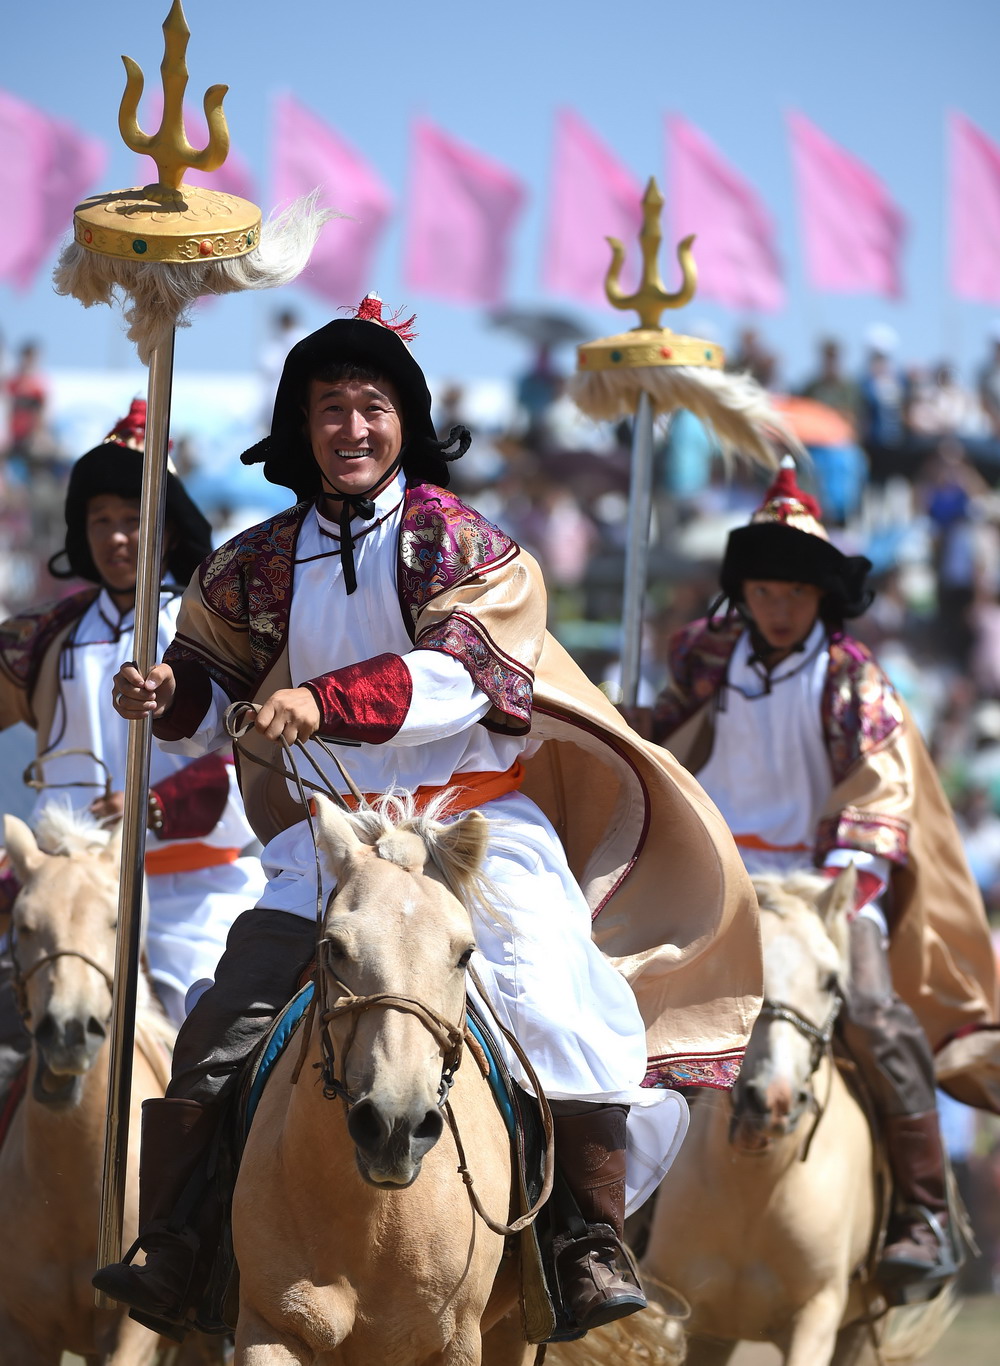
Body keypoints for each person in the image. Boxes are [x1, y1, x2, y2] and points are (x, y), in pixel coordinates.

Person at [93, 296, 761, 1337]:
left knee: (555, 1010)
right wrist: (160, 696)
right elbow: (199, 681)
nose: (350, 428)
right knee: (222, 1028)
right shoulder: (254, 560)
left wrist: (321, 699)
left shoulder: (462, 542)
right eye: (328, 409)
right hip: (333, 847)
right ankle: (176, 1242)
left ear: (404, 419)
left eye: (370, 407)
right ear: (298, 426)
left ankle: (584, 1244)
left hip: (468, 835)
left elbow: (469, 678)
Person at [644, 457, 1000, 1298]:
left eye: (794, 595)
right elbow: (660, 731)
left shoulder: (852, 679)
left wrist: (833, 891)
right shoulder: (708, 653)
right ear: (745, 591)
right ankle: (589, 1216)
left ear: (821, 599)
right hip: (718, 880)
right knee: (619, 1011)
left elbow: (883, 790)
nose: (776, 608)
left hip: (825, 883)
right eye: (763, 592)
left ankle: (921, 1212)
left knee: (877, 1018)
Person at [0, 401, 264, 1054]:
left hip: (192, 897)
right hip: (68, 899)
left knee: (215, 1046)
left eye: (134, 519)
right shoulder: (46, 635)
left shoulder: (212, 627)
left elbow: (252, 758)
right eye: (102, 521)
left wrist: (152, 804)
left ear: (168, 530)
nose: (118, 537)